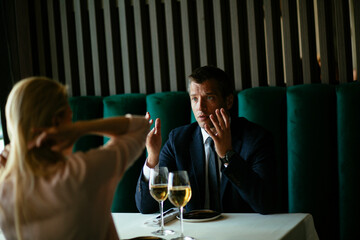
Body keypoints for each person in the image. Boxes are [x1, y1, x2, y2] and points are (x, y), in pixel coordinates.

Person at [0, 77, 149, 240]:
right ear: (58, 122)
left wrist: (17, 147)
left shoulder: (4, 190)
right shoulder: (81, 172)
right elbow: (140, 127)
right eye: (70, 119)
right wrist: (80, 128)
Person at [135, 66, 277, 214]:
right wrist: (152, 157)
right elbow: (146, 206)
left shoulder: (256, 139)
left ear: (228, 101)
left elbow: (266, 204)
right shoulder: (177, 140)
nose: (200, 107)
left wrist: (228, 155)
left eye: (209, 97)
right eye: (194, 99)